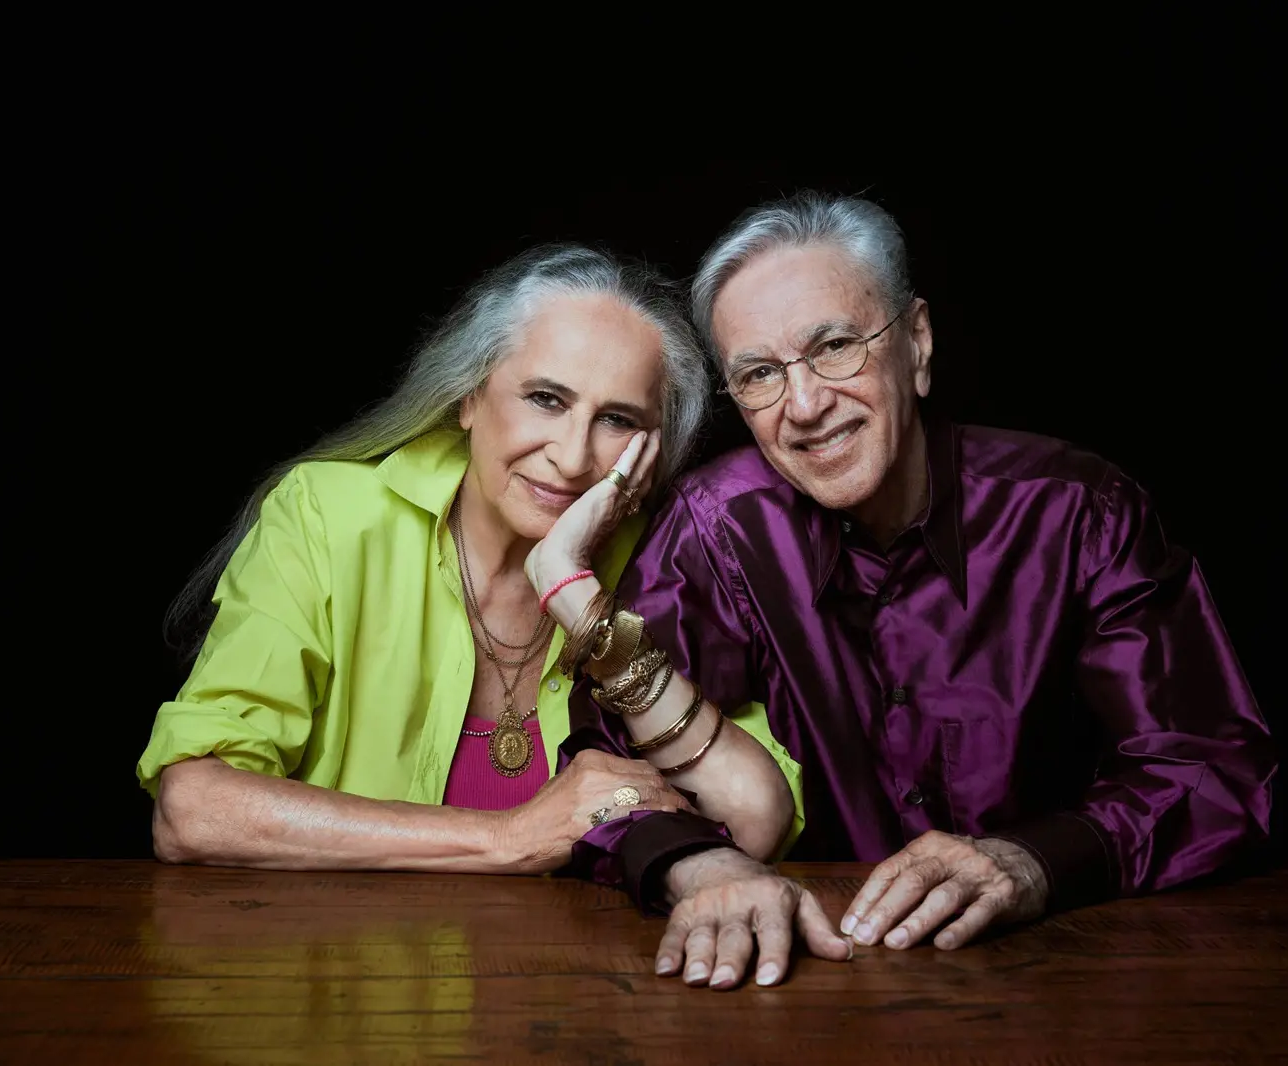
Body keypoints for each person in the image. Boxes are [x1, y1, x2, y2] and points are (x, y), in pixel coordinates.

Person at [566, 193, 1277, 991]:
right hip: (799, 987)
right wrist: (699, 864)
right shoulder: (714, 529)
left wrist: (1036, 860)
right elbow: (604, 761)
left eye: (835, 346)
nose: (803, 407)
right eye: (761, 375)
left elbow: (1212, 767)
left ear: (919, 343)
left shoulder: (1080, 511)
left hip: (1069, 986)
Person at [137, 243, 797, 878]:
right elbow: (194, 808)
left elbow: (755, 817)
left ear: (651, 452)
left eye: (617, 420)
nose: (571, 457)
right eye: (547, 399)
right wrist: (509, 837)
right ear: (470, 398)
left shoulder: (666, 562)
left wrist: (578, 596)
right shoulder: (329, 518)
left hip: (580, 983)